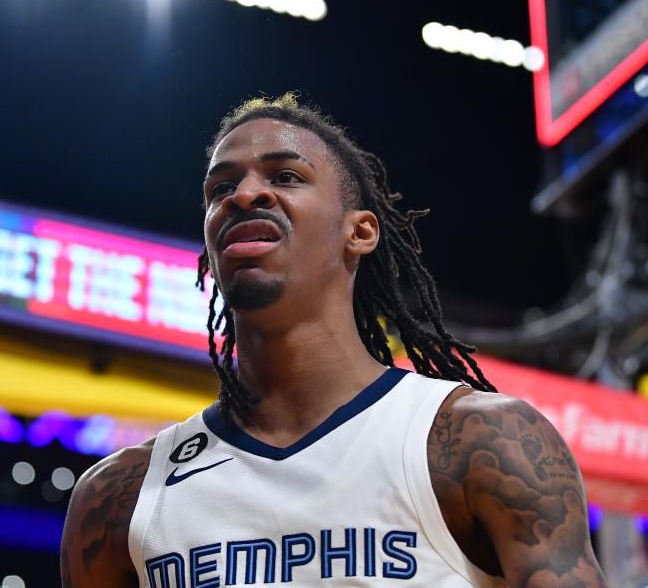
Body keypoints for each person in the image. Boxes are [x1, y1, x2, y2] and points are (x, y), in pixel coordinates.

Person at [60, 94, 608, 587]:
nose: (245, 194)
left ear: (360, 232)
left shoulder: (480, 440)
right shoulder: (118, 498)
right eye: (220, 188)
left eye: (286, 176)